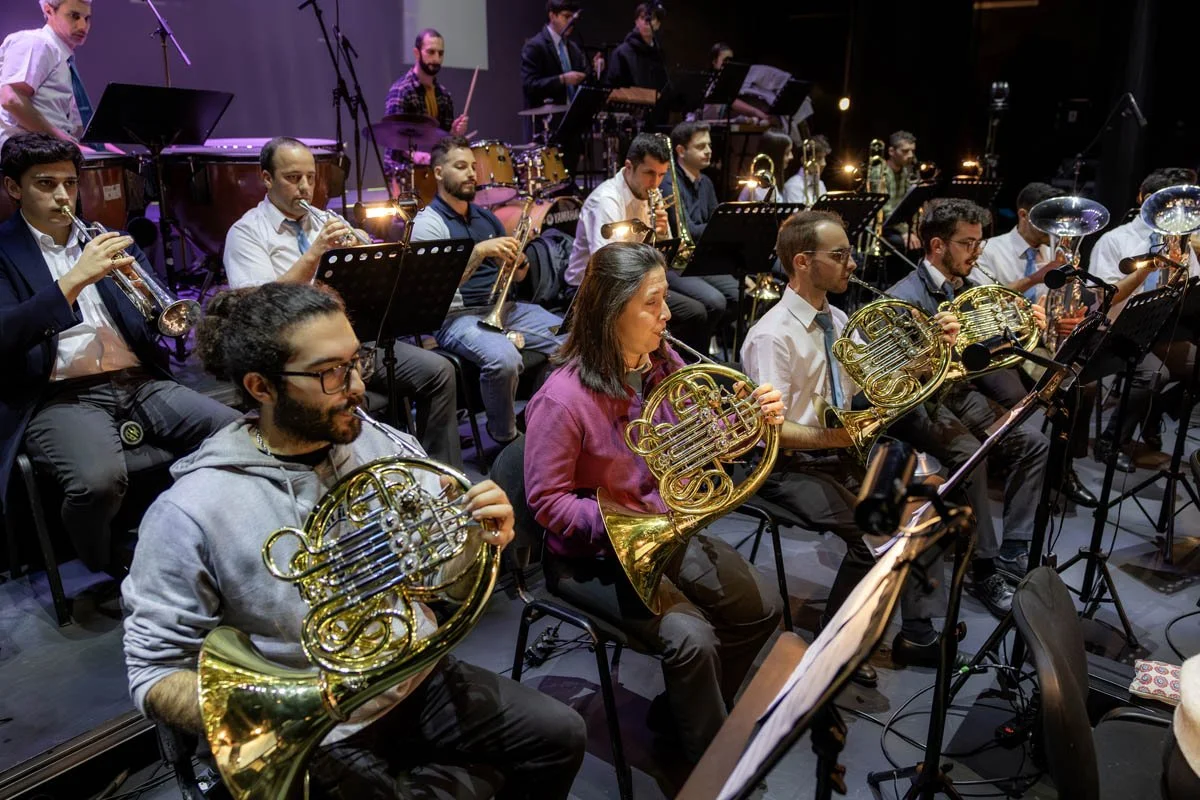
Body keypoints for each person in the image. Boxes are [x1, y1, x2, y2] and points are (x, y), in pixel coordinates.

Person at [121, 282, 586, 799]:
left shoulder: (377, 442)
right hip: (314, 727)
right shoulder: (193, 509)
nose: (358, 386)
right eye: (330, 372)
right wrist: (271, 710)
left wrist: (475, 538)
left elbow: (439, 581)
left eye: (355, 360)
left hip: (412, 678)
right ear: (261, 387)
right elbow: (154, 671)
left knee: (560, 735)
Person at [524, 241, 784, 764]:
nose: (667, 313)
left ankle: (680, 714)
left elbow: (696, 440)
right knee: (693, 639)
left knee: (764, 609)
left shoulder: (663, 363)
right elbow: (547, 503)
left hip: (666, 531)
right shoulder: (562, 398)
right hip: (592, 557)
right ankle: (708, 764)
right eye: (652, 302)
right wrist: (626, 523)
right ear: (609, 309)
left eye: (665, 298)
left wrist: (748, 421)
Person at [0, 132, 238, 574]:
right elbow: (5, 334)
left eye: (69, 183)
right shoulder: (3, 251)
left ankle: (199, 530)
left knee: (235, 433)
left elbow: (161, 315)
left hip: (137, 380)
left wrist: (145, 293)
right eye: (45, 183)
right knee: (97, 483)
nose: (62, 195)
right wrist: (72, 280)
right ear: (14, 188)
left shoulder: (104, 237)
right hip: (60, 394)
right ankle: (102, 559)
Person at [741, 210, 962, 671]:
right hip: (786, 467)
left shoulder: (836, 318)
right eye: (839, 255)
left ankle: (917, 634)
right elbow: (774, 432)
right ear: (802, 262)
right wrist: (843, 435)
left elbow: (869, 388)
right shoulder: (771, 336)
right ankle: (832, 642)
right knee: (873, 535)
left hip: (838, 450)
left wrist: (931, 357)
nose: (853, 264)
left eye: (849, 253)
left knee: (928, 498)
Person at [222, 136, 462, 469]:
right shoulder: (246, 233)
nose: (305, 187)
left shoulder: (324, 219)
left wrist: (365, 252)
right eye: (293, 178)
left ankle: (439, 474)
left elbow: (374, 278)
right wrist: (314, 255)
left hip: (356, 343)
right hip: (299, 359)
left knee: (440, 371)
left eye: (310, 176)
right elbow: (255, 308)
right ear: (266, 179)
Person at [887, 198, 1051, 583]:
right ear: (937, 246)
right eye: (968, 243)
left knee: (1034, 443)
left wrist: (1027, 325)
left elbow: (990, 346)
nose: (977, 252)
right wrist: (935, 348)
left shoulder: (971, 286)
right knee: (971, 457)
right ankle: (983, 566)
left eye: (979, 243)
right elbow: (896, 379)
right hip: (921, 403)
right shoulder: (902, 297)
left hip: (960, 394)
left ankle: (1015, 546)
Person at [410, 136, 565, 446]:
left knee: (573, 341)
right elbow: (436, 289)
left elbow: (516, 278)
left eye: (472, 166)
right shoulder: (428, 224)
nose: (471, 174)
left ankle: (532, 417)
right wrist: (479, 252)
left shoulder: (486, 217)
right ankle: (507, 440)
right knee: (504, 360)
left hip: (503, 308)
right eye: (460, 167)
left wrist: (519, 264)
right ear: (439, 173)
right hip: (456, 316)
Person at [973, 181, 1098, 507]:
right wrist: (1040, 275)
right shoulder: (991, 249)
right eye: (1048, 220)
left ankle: (1063, 466)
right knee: (1052, 388)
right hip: (1003, 342)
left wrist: (1073, 311)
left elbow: (1066, 299)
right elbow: (989, 304)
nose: (1055, 230)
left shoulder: (1055, 251)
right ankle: (1020, 460)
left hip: (1044, 339)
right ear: (1024, 215)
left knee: (1086, 384)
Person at [1089, 167, 1199, 470]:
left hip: (1162, 329)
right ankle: (1111, 441)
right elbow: (1106, 299)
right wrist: (1149, 267)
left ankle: (1154, 411)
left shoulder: (1184, 241)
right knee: (1153, 374)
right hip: (1118, 329)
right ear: (1147, 199)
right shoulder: (1116, 240)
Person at [567, 132, 709, 352]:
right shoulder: (606, 200)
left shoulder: (647, 192)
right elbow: (608, 266)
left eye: (661, 175)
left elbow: (663, 254)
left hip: (637, 279)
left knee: (707, 305)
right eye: (649, 173)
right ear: (629, 166)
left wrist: (661, 233)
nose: (655, 183)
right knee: (694, 312)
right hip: (592, 289)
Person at [657, 121, 739, 343]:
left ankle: (706, 339)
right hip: (677, 263)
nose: (709, 151)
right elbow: (690, 231)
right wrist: (720, 227)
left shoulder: (707, 183)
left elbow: (714, 225)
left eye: (709, 145)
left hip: (702, 257)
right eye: (701, 146)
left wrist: (723, 227)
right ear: (681, 151)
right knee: (714, 302)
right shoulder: (668, 183)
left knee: (739, 294)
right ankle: (695, 349)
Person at [0, 0, 93, 148]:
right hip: (26, 157)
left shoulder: (64, 59)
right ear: (49, 10)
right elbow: (11, 99)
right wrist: (65, 143)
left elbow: (73, 129)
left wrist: (108, 150)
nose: (83, 26)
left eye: (87, 18)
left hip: (51, 152)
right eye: (74, 16)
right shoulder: (37, 42)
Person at [383, 29, 469, 176]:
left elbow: (443, 141)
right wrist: (418, 156)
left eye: (440, 53)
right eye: (431, 52)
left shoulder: (444, 95)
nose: (436, 59)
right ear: (417, 53)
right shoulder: (402, 90)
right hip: (405, 174)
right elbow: (394, 139)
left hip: (434, 171)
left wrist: (453, 133)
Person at [869, 130, 918, 250]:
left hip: (899, 225)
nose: (911, 155)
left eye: (912, 151)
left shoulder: (906, 171)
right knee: (907, 244)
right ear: (891, 151)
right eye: (905, 151)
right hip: (882, 227)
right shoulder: (880, 172)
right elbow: (886, 209)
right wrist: (905, 232)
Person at [605, 3, 667, 90]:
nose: (646, 22)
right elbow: (611, 87)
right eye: (643, 18)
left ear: (658, 24)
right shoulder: (622, 53)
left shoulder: (659, 55)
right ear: (636, 22)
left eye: (651, 18)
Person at [736, 130, 795, 202]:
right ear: (775, 155)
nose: (791, 156)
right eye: (787, 153)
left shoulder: (770, 180)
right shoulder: (762, 186)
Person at [782, 134, 830, 206]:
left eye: (824, 158)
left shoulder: (820, 184)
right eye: (819, 158)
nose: (824, 163)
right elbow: (797, 216)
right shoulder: (793, 186)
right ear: (804, 160)